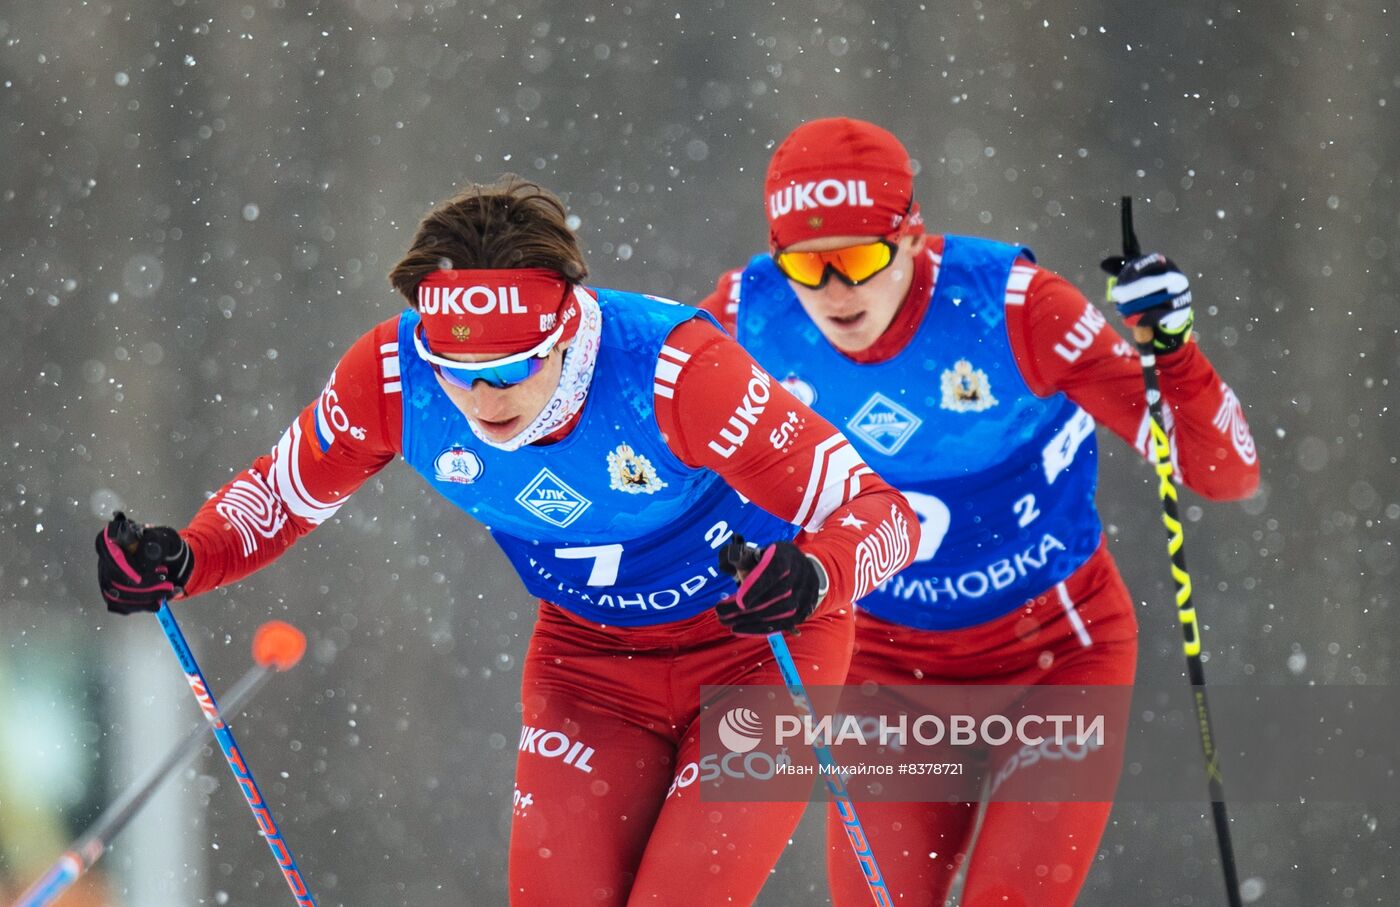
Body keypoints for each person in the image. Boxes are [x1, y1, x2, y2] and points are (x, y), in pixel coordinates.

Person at [94, 177, 920, 906]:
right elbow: (278, 496)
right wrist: (185, 557)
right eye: (458, 370)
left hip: (760, 650)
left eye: (513, 367)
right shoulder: (394, 374)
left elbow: (885, 513)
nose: (482, 398)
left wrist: (815, 575)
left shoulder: (674, 370)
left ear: (566, 333)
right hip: (589, 662)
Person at [700, 118, 1260, 907]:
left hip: (1056, 660)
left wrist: (1174, 349)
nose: (837, 291)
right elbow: (665, 473)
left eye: (860, 258)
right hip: (885, 673)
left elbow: (1223, 472)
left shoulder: (1016, 307)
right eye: (806, 265)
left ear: (911, 235)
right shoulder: (743, 318)